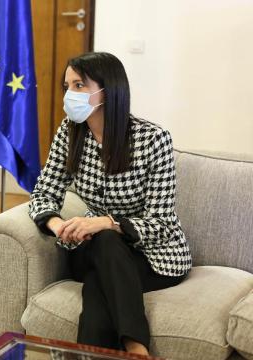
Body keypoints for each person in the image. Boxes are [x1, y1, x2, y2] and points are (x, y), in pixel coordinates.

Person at [29, 52, 191, 355]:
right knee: (103, 246)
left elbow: (162, 223)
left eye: (79, 86)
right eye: (67, 86)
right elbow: (43, 194)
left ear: (108, 89)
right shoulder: (69, 133)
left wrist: (107, 223)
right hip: (93, 247)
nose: (69, 95)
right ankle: (137, 348)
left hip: (153, 257)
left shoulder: (153, 139)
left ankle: (118, 350)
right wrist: (58, 225)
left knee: (97, 283)